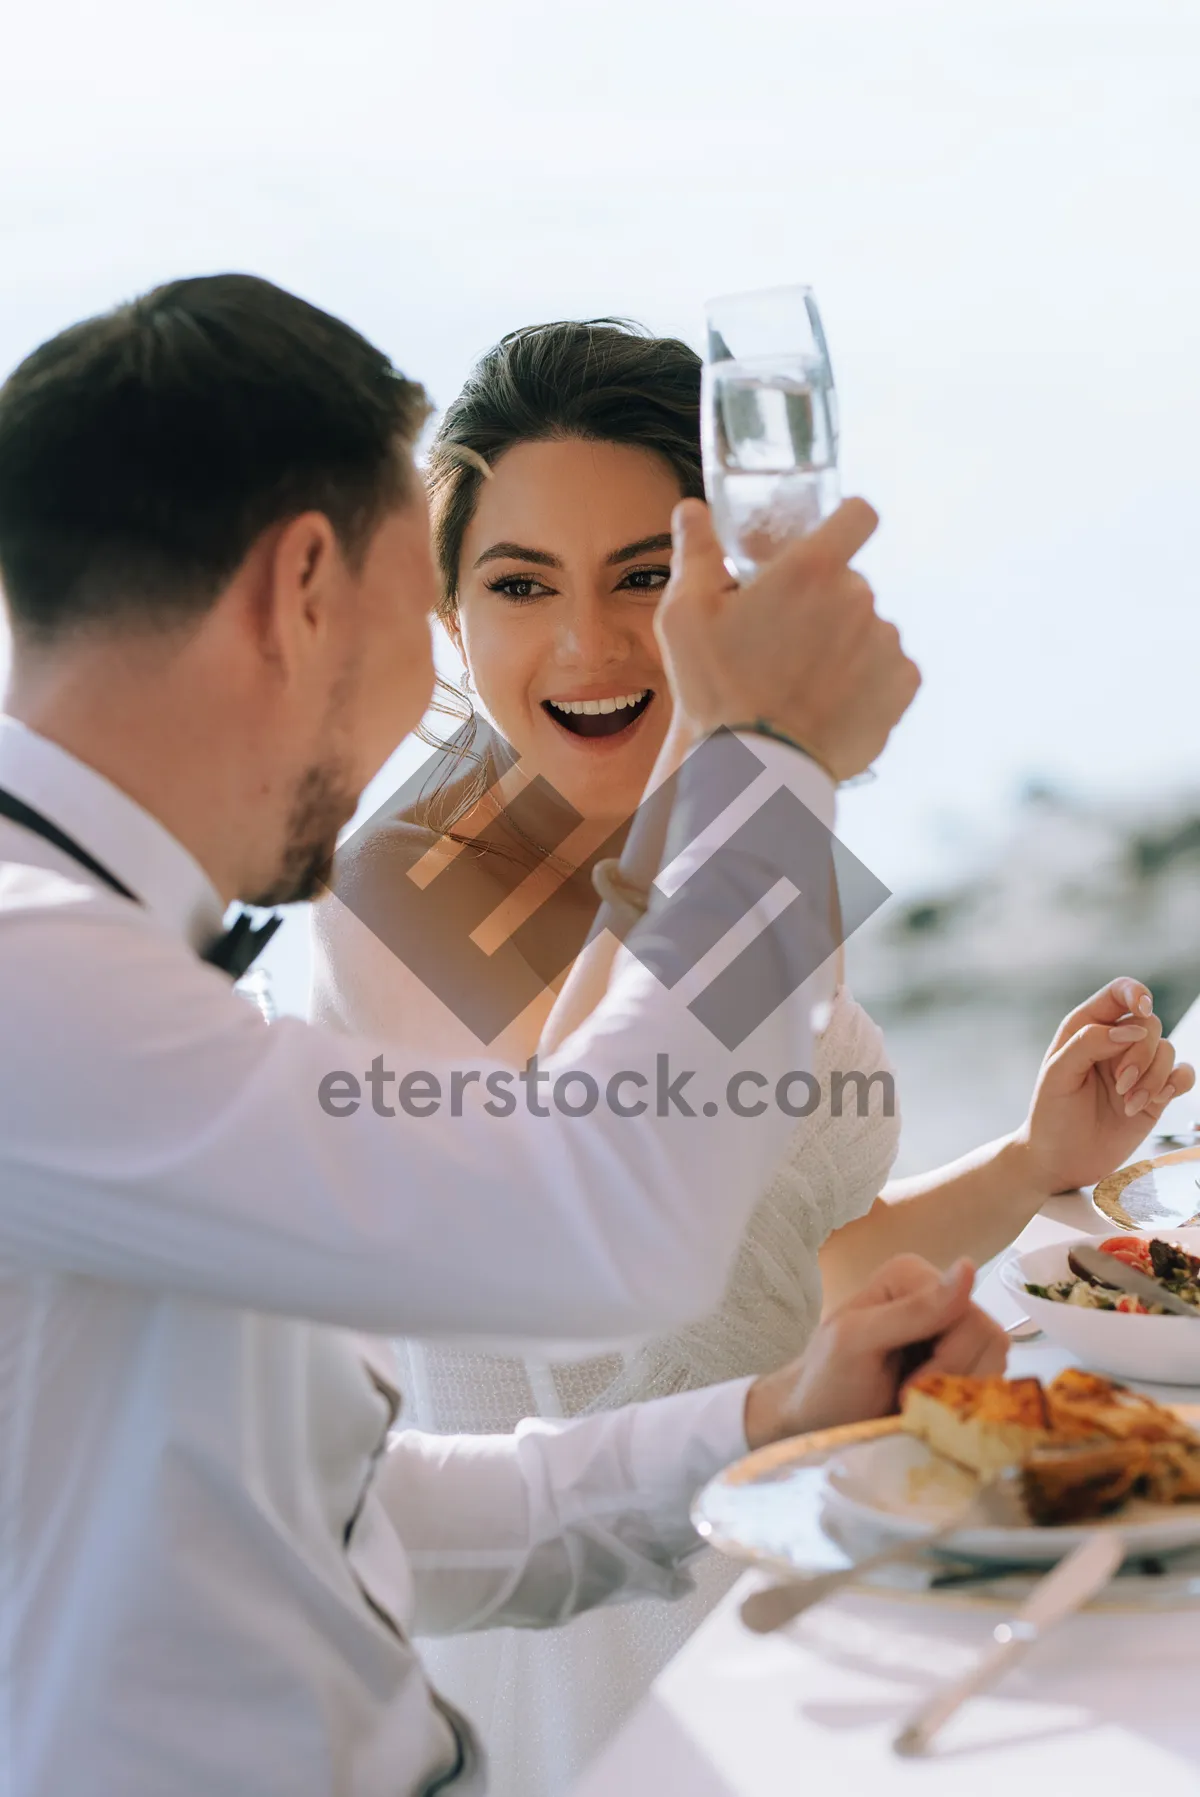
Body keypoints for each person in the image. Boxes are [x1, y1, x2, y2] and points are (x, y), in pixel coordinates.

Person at [0, 270, 961, 1797]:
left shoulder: (98, 967)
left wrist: (774, 1417)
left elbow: (335, 1501)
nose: (434, 712)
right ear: (308, 587)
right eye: (452, 594)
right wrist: (767, 765)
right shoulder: (33, 981)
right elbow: (598, 1234)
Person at [312, 318, 1194, 1797]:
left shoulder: (745, 831)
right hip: (598, 1626)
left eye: (646, 579)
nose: (590, 646)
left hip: (809, 1531)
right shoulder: (410, 880)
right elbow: (604, 1235)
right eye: (519, 586)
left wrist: (1034, 1165)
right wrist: (738, 759)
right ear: (449, 620)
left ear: (722, 586)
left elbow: (784, 1273)